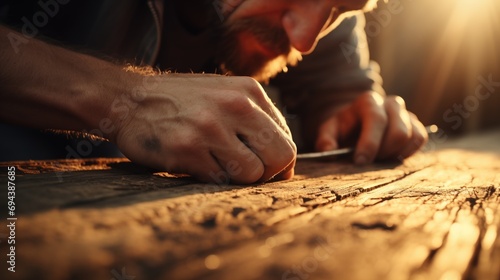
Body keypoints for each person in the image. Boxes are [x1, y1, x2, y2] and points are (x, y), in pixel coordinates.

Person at [0, 0, 428, 184]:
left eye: (341, 9)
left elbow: (340, 86)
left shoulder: (315, 21)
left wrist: (353, 109)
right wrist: (125, 100)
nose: (305, 38)